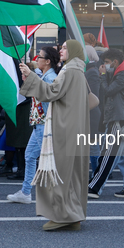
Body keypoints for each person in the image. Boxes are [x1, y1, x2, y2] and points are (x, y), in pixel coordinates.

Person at [18, 40, 89, 231]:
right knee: (71, 175)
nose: (61, 50)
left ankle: (62, 216)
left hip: (63, 128)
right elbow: (92, 100)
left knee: (59, 172)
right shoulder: (79, 72)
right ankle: (73, 215)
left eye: (65, 48)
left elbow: (51, 92)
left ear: (73, 51)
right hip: (75, 128)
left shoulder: (68, 71)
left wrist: (30, 75)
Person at [8, 47, 60, 204]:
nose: (37, 59)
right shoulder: (44, 74)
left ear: (48, 61)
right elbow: (35, 80)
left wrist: (30, 74)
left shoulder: (50, 78)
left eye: (40, 57)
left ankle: (56, 197)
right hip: (39, 124)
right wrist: (28, 70)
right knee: (30, 156)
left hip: (45, 124)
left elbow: (47, 96)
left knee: (48, 162)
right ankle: (25, 192)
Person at [88, 48, 124, 199]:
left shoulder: (122, 75)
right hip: (123, 119)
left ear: (115, 62)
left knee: (107, 155)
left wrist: (103, 75)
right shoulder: (121, 73)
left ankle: (94, 187)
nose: (105, 65)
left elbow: (108, 90)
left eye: (107, 62)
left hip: (119, 119)